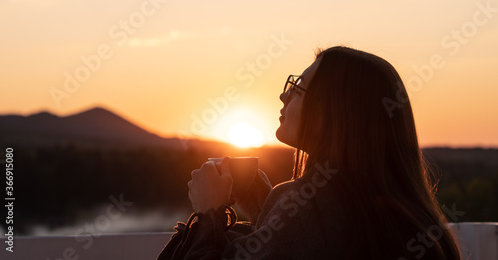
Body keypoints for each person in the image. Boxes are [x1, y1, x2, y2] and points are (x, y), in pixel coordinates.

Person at [158, 46, 462, 259]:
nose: (283, 94)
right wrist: (266, 205)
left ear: (332, 112)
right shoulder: (409, 215)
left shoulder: (312, 205)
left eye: (298, 87)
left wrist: (208, 213)